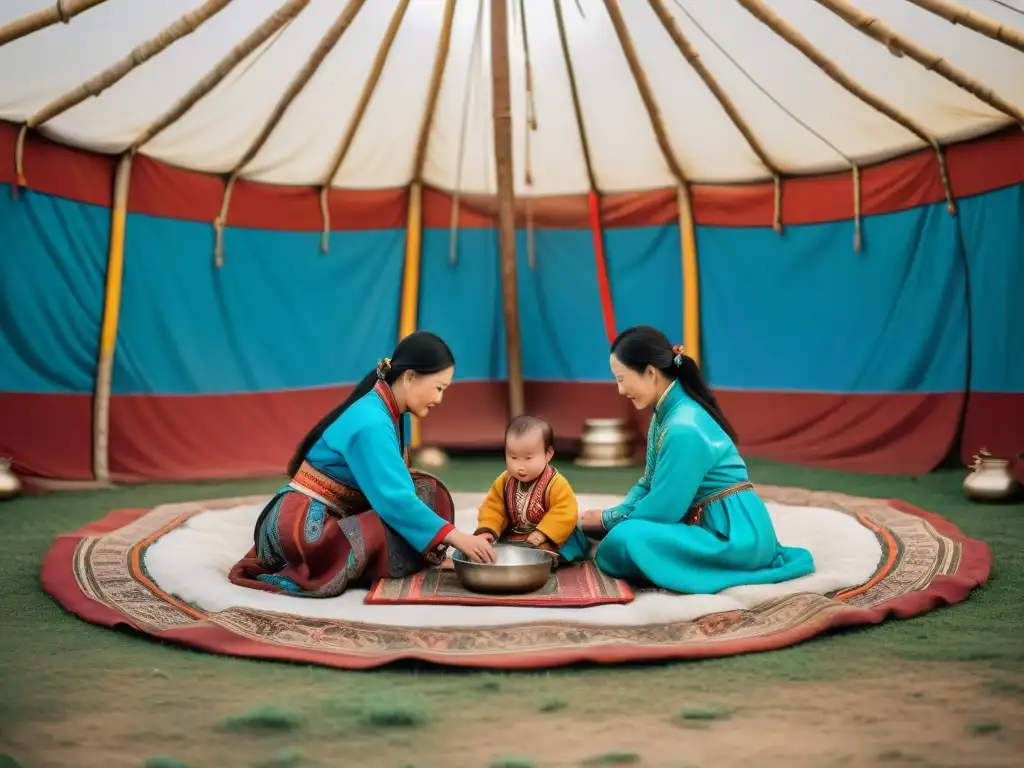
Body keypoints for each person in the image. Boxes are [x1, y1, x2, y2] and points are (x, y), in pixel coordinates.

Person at [229, 331, 496, 598]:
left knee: (426, 491)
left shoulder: (387, 410)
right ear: (410, 377)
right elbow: (395, 499)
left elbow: (399, 485)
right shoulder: (372, 421)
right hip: (302, 531)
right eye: (439, 388)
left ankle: (406, 550)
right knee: (386, 525)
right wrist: (456, 537)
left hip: (332, 514)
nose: (439, 399)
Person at [581, 325, 815, 594]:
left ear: (649, 372)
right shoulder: (663, 415)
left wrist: (609, 523)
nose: (620, 390)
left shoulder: (683, 427)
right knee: (618, 532)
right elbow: (648, 483)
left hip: (733, 536)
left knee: (624, 538)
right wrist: (613, 514)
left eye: (622, 378)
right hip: (706, 523)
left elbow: (665, 509)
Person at [473, 415, 590, 564]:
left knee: (560, 546)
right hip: (515, 534)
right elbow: (493, 507)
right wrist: (487, 530)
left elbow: (565, 511)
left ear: (548, 454)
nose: (520, 466)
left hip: (551, 535)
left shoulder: (556, 484)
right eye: (513, 457)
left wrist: (542, 533)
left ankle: (549, 555)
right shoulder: (504, 481)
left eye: (528, 458)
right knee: (495, 551)